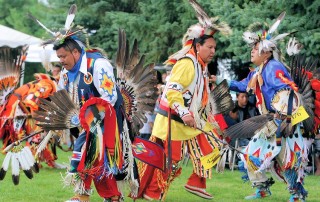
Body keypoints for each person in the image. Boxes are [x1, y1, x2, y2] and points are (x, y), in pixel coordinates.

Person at [134, 0, 231, 200]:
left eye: (215, 48)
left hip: (187, 123)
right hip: (172, 122)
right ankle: (152, 194)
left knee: (212, 145)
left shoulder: (200, 66)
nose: (213, 51)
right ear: (197, 45)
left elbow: (198, 98)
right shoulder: (187, 63)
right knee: (168, 161)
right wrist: (185, 112)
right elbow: (171, 90)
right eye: (210, 47)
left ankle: (196, 182)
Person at [214, 12, 309, 201]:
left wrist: (286, 117)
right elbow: (242, 86)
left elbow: (289, 91)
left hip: (284, 122)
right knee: (251, 154)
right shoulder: (258, 71)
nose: (252, 51)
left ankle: (297, 195)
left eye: (255, 48)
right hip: (269, 122)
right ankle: (262, 189)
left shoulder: (274, 68)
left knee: (287, 160)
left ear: (266, 52)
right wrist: (217, 80)